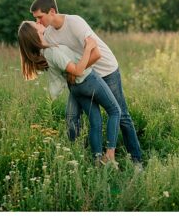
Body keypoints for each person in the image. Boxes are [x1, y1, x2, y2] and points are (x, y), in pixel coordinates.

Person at [30, 0, 143, 166]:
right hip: (84, 77)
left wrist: (76, 72)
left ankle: (137, 161)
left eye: (40, 17)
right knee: (72, 116)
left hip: (105, 70)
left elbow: (96, 54)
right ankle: (84, 159)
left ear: (52, 11)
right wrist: (74, 73)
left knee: (121, 115)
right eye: (36, 19)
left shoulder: (75, 22)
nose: (38, 22)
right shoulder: (50, 35)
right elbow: (60, 60)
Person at [18, 20, 121, 166]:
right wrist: (88, 48)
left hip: (76, 88)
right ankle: (110, 154)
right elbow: (78, 71)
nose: (39, 23)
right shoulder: (52, 52)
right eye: (37, 25)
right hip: (88, 80)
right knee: (115, 111)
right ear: (36, 33)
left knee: (95, 121)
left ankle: (98, 160)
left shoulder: (45, 51)